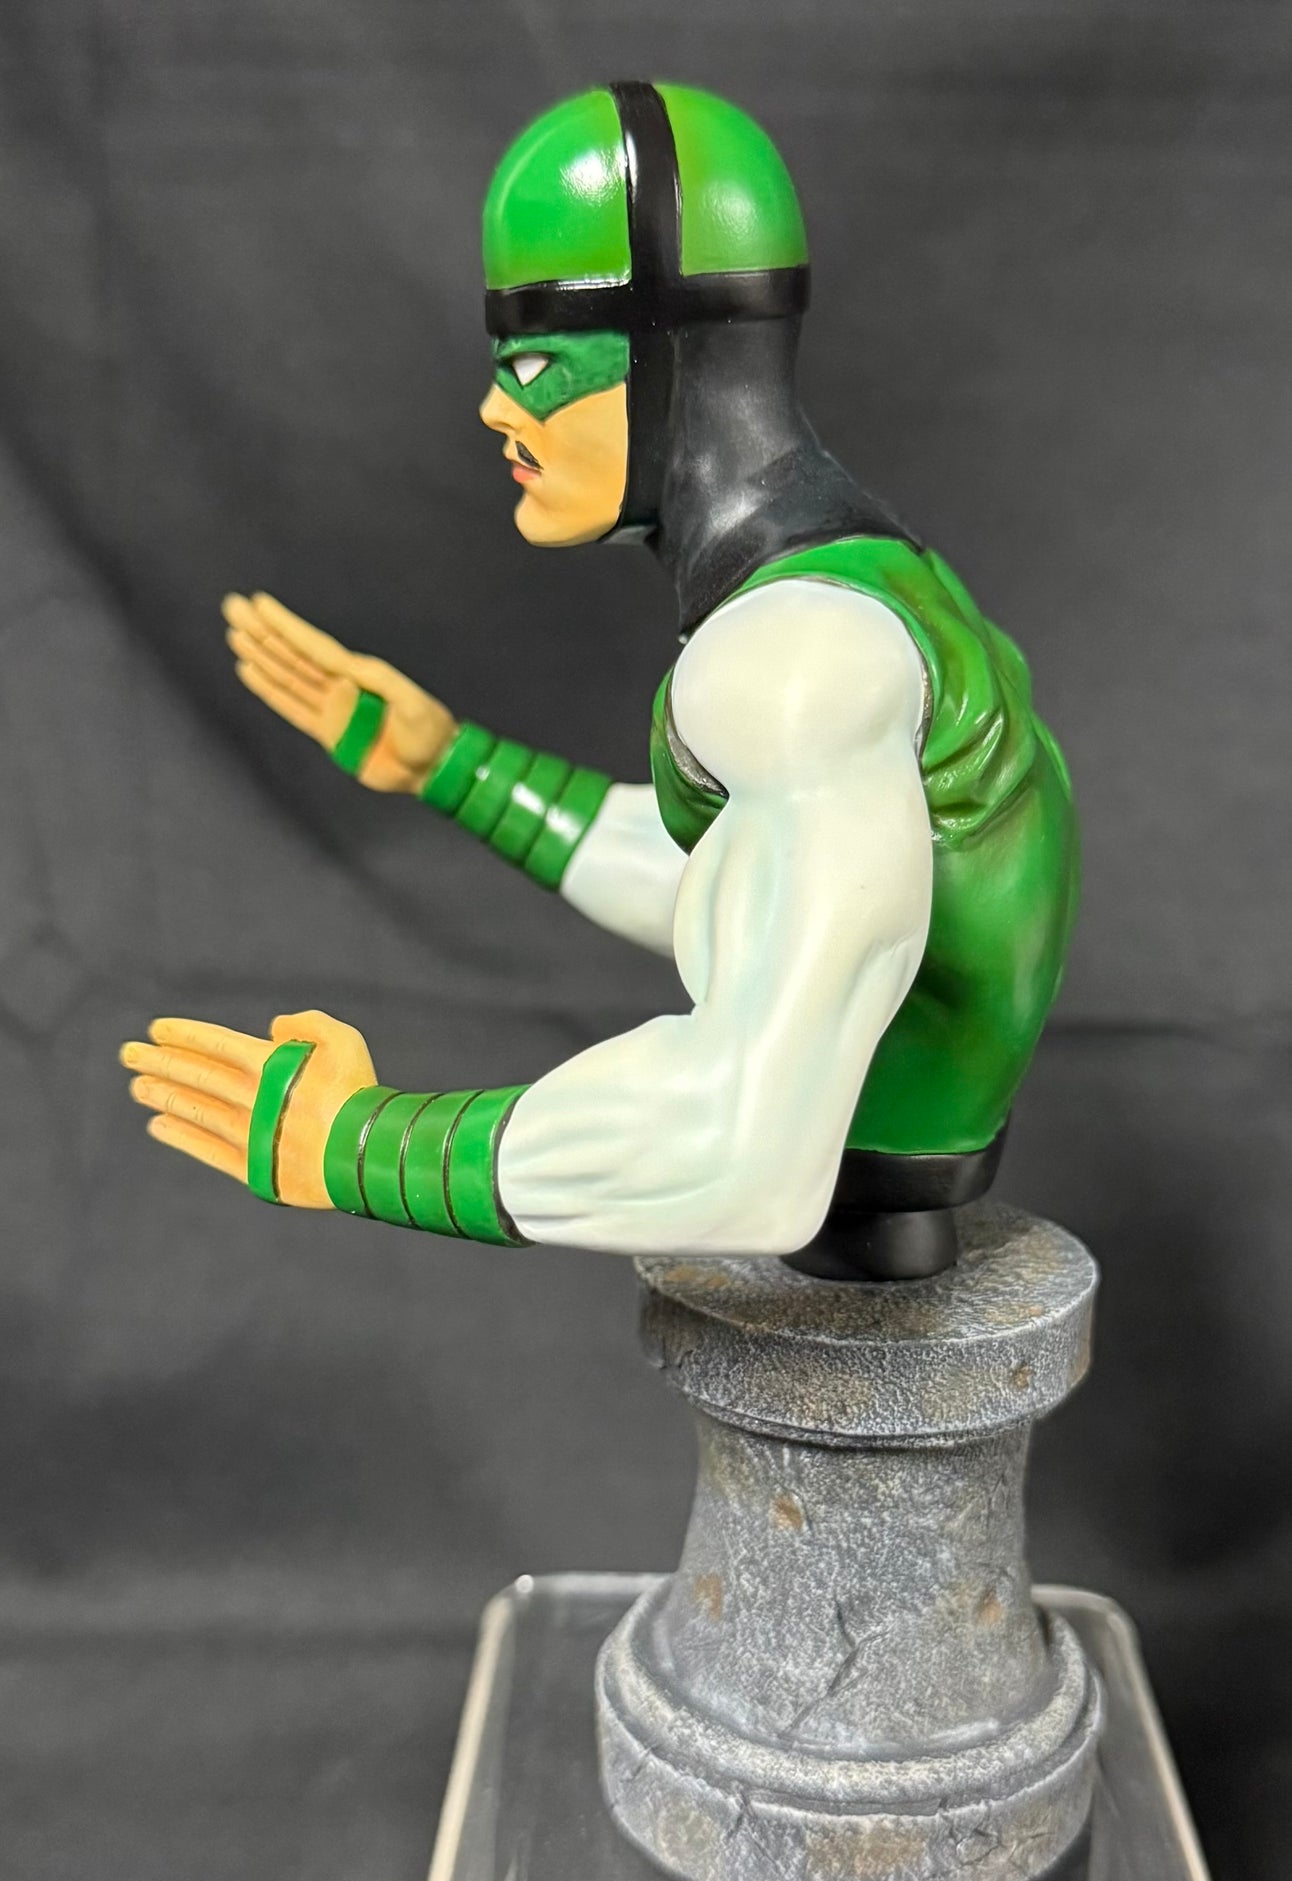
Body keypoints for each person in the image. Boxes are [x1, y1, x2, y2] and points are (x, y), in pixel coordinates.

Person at [120, 81, 1077, 1280]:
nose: (494, 408)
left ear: (670, 359)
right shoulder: (860, 579)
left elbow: (741, 1142)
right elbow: (737, 886)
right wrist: (449, 764)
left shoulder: (793, 659)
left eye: (535, 364)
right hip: (898, 1143)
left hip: (861, 1163)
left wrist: (360, 1144)